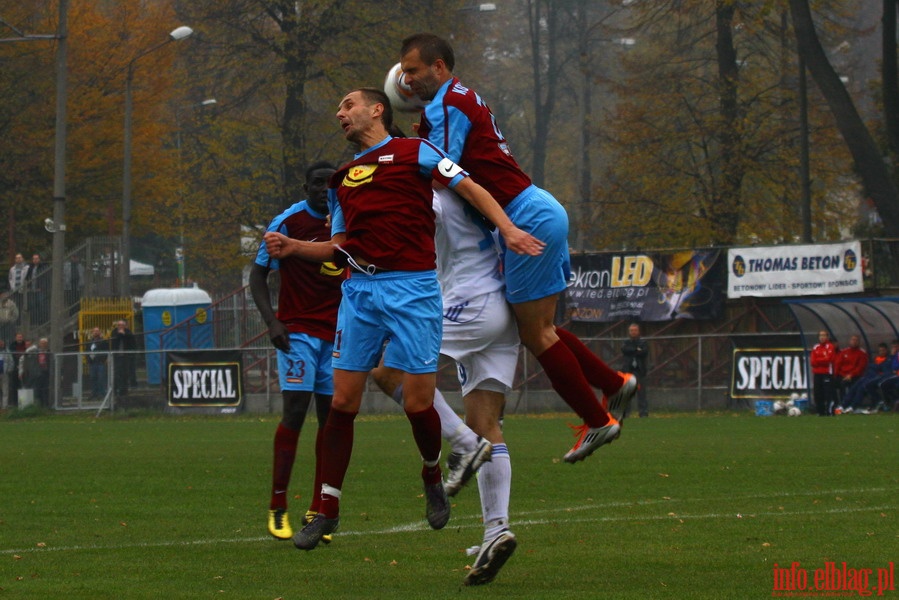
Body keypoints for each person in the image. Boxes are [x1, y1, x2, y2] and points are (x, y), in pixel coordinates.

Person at [263, 87, 542, 551]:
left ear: (377, 109)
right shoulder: (340, 179)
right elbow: (337, 246)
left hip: (413, 289)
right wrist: (293, 248)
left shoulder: (416, 151)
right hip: (359, 292)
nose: (340, 113)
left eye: (347, 104)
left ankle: (432, 473)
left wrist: (509, 228)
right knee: (342, 403)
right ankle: (326, 509)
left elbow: (470, 187)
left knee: (417, 404)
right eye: (338, 108)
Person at [398, 33, 636, 462]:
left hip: (524, 216)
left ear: (438, 67)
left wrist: (404, 162)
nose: (406, 79)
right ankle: (614, 383)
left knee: (536, 332)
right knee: (537, 325)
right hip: (536, 207)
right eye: (404, 72)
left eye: (413, 70)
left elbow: (443, 174)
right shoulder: (458, 98)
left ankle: (598, 421)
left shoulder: (445, 105)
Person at [371, 186, 516, 586]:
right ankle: (496, 531)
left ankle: (465, 445)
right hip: (502, 306)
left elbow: (411, 225)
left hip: (467, 303)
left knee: (387, 372)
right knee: (486, 420)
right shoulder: (474, 189)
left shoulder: (430, 195)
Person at [249, 160, 344, 543]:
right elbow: (258, 274)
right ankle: (277, 504)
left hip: (336, 335)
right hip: (298, 332)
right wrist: (272, 322)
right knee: (294, 413)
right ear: (306, 187)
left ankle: (318, 510)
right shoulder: (287, 222)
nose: (324, 189)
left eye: (330, 183)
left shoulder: (347, 221)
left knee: (330, 422)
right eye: (317, 183)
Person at [842, 342, 890, 413]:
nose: (881, 352)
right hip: (869, 377)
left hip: (878, 378)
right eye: (880, 351)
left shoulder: (888, 360)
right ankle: (844, 405)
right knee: (856, 385)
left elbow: (883, 370)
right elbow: (870, 368)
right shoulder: (875, 359)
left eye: (883, 350)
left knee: (863, 387)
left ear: (886, 350)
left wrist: (875, 368)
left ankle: (853, 406)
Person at [832, 334, 867, 414]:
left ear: (859, 342)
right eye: (852, 340)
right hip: (842, 375)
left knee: (848, 384)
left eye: (856, 340)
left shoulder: (862, 353)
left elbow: (860, 367)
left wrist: (851, 375)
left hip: (855, 376)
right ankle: (836, 404)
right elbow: (838, 364)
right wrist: (835, 375)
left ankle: (846, 405)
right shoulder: (844, 352)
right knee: (831, 384)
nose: (854, 342)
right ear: (849, 341)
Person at [620, 323, 650, 418]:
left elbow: (644, 352)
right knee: (627, 393)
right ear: (629, 332)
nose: (633, 332)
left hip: (639, 371)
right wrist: (636, 350)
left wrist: (634, 350)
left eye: (635, 330)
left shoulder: (643, 342)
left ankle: (643, 413)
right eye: (631, 330)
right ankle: (626, 413)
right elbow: (625, 350)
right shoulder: (626, 342)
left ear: (638, 331)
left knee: (641, 393)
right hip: (628, 371)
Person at [809, 330, 836, 416]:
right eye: (820, 335)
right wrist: (821, 360)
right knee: (817, 392)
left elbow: (828, 360)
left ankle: (829, 411)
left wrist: (818, 360)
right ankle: (820, 411)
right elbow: (813, 362)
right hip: (817, 373)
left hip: (827, 372)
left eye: (824, 335)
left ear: (827, 337)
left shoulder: (830, 346)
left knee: (827, 392)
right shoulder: (816, 347)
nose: (822, 337)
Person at [110, 320, 135, 398]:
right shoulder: (114, 332)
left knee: (125, 374)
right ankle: (115, 390)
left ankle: (124, 391)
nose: (120, 326)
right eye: (119, 325)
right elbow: (115, 340)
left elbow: (131, 341)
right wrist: (120, 334)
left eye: (121, 325)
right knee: (117, 373)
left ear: (125, 326)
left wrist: (123, 335)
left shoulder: (128, 332)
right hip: (117, 356)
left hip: (126, 357)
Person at [85, 327, 109, 400]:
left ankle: (101, 393)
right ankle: (94, 393)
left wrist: (103, 359)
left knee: (100, 378)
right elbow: (87, 351)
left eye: (97, 331)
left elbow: (106, 351)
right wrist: (88, 359)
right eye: (94, 331)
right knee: (93, 378)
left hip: (100, 362)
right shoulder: (89, 342)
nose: (95, 332)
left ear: (99, 332)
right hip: (92, 363)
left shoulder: (103, 341)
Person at [26, 253, 48, 326]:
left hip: (40, 289)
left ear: (39, 259)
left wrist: (42, 287)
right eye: (34, 259)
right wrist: (28, 287)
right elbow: (27, 278)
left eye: (36, 258)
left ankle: (43, 322)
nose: (35, 260)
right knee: (33, 306)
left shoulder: (43, 267)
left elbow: (45, 277)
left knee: (41, 305)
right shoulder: (30, 267)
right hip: (32, 290)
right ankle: (35, 322)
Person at [8, 332, 27, 407]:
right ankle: (15, 403)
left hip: (24, 368)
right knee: (15, 386)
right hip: (15, 368)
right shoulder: (12, 345)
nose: (19, 338)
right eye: (18, 337)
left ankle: (24, 403)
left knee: (24, 385)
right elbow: (11, 356)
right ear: (15, 338)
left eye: (20, 337)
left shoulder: (25, 345)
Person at [0, 338, 12, 409]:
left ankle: (4, 406)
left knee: (5, 390)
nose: (1, 344)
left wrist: (8, 370)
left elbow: (11, 362)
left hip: (4, 373)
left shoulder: (7, 351)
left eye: (2, 343)